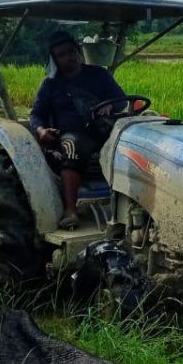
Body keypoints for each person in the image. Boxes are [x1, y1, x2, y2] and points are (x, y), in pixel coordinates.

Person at [29, 29, 127, 229]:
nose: (68, 57)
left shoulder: (99, 75)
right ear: (55, 60)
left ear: (78, 51)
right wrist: (41, 131)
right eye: (61, 55)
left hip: (104, 128)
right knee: (73, 146)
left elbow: (121, 100)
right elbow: (36, 114)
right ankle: (70, 210)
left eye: (71, 52)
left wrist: (111, 106)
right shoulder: (50, 85)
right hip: (72, 135)